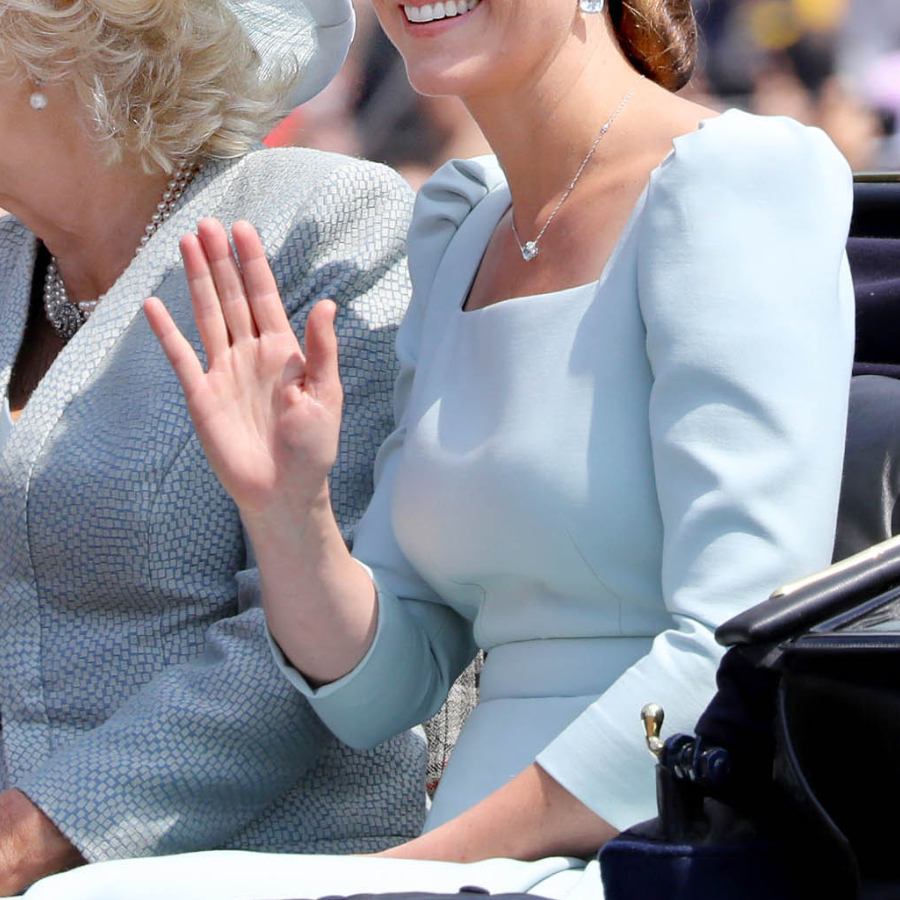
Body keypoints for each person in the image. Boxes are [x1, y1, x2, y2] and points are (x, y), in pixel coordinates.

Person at [18, 0, 856, 896]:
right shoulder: (460, 227)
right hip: (471, 859)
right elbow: (385, 684)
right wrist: (287, 511)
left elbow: (733, 657)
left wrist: (405, 869)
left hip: (657, 843)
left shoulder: (737, 179)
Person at [0, 0, 427, 894]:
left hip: (256, 864)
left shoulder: (319, 221)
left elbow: (327, 626)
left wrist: (39, 834)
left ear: (52, 44)